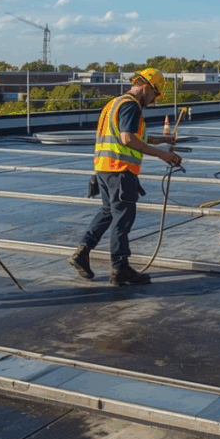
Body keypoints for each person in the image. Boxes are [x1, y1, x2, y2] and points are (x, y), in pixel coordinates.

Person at [69, 68, 182, 286]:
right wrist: (163, 155)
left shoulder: (114, 103)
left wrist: (162, 140)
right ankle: (120, 268)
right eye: (154, 95)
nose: (154, 101)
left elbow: (134, 135)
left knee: (108, 213)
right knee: (122, 218)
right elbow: (128, 138)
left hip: (103, 169)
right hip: (121, 171)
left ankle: (82, 251)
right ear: (146, 87)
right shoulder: (131, 105)